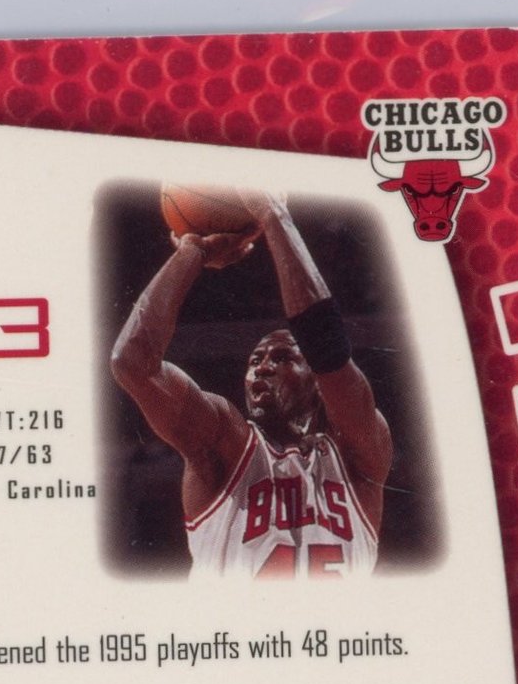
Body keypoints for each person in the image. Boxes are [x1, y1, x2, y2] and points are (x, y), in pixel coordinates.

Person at [111, 191, 393, 576]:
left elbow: (326, 348)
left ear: (317, 382)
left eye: (282, 358)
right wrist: (192, 251)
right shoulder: (225, 441)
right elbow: (131, 363)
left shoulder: (357, 450)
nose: (262, 368)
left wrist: (273, 213)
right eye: (255, 360)